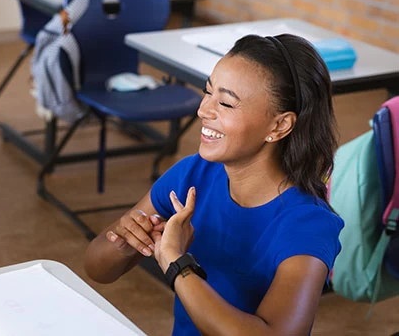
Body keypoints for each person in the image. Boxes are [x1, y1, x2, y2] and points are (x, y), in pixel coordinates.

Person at [84, 34, 344, 335]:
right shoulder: (194, 174)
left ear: (279, 125)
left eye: (226, 103)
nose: (203, 110)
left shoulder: (308, 223)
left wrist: (176, 263)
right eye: (208, 92)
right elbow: (96, 267)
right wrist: (127, 244)